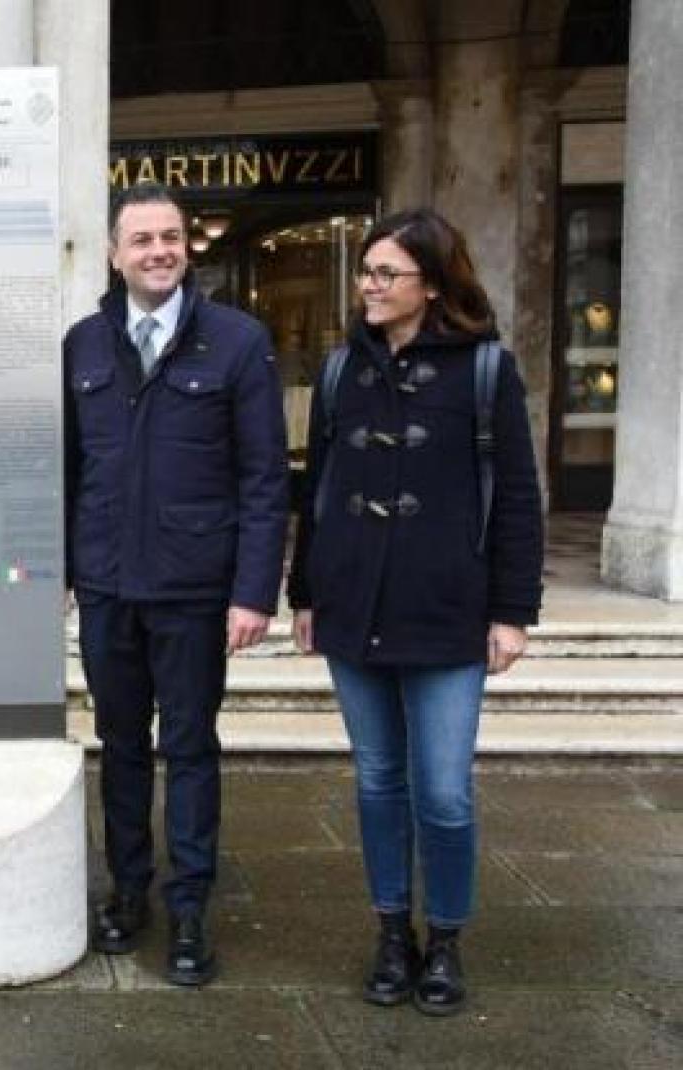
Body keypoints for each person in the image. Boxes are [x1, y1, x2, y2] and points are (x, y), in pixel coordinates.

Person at [288, 207, 543, 1016]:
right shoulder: (339, 373)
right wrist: (303, 595)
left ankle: (448, 940)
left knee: (443, 789)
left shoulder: (485, 371)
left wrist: (511, 611)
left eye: (386, 273)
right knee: (376, 780)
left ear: (431, 285)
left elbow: (519, 503)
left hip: (447, 611)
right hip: (353, 603)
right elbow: (318, 493)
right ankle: (392, 932)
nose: (369, 284)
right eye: (365, 270)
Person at [64, 184, 289, 985]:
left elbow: (265, 478)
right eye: (142, 239)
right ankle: (129, 892)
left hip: (196, 589)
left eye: (171, 237)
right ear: (114, 253)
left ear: (187, 246)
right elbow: (70, 469)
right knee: (120, 745)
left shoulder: (237, 340)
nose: (158, 251)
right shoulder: (84, 345)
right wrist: (62, 570)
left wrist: (255, 592)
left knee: (190, 747)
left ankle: (190, 907)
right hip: (107, 586)